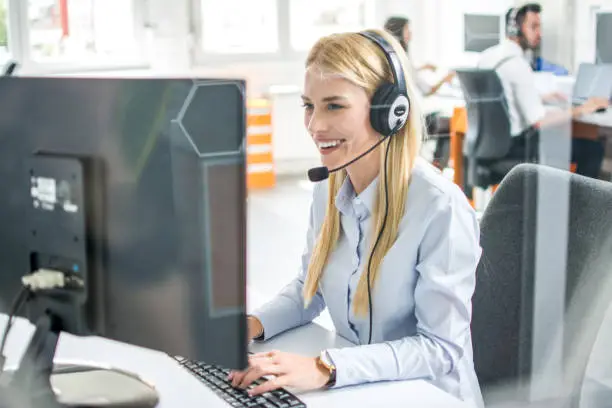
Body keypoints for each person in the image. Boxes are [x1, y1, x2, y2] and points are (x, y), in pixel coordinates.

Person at [228, 29, 484, 407]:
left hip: (428, 396)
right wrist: (250, 325)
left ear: (389, 112)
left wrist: (326, 367)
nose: (315, 126)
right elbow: (308, 289)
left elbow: (440, 348)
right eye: (308, 106)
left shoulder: (439, 207)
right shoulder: (329, 190)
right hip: (366, 388)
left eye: (334, 106)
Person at [478, 3, 609, 179]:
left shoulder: (488, 56)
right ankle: (576, 205)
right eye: (534, 27)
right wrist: (580, 110)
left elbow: (503, 95)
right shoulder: (517, 63)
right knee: (593, 150)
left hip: (491, 146)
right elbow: (539, 121)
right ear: (515, 28)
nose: (540, 33)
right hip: (518, 149)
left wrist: (542, 97)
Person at [384, 16, 455, 170]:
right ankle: (438, 166)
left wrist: (421, 68)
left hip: (397, 118)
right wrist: (446, 79)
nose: (411, 34)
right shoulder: (401, 58)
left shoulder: (390, 57)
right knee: (449, 123)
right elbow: (428, 90)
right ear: (399, 32)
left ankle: (436, 165)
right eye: (407, 30)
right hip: (411, 120)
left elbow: (411, 73)